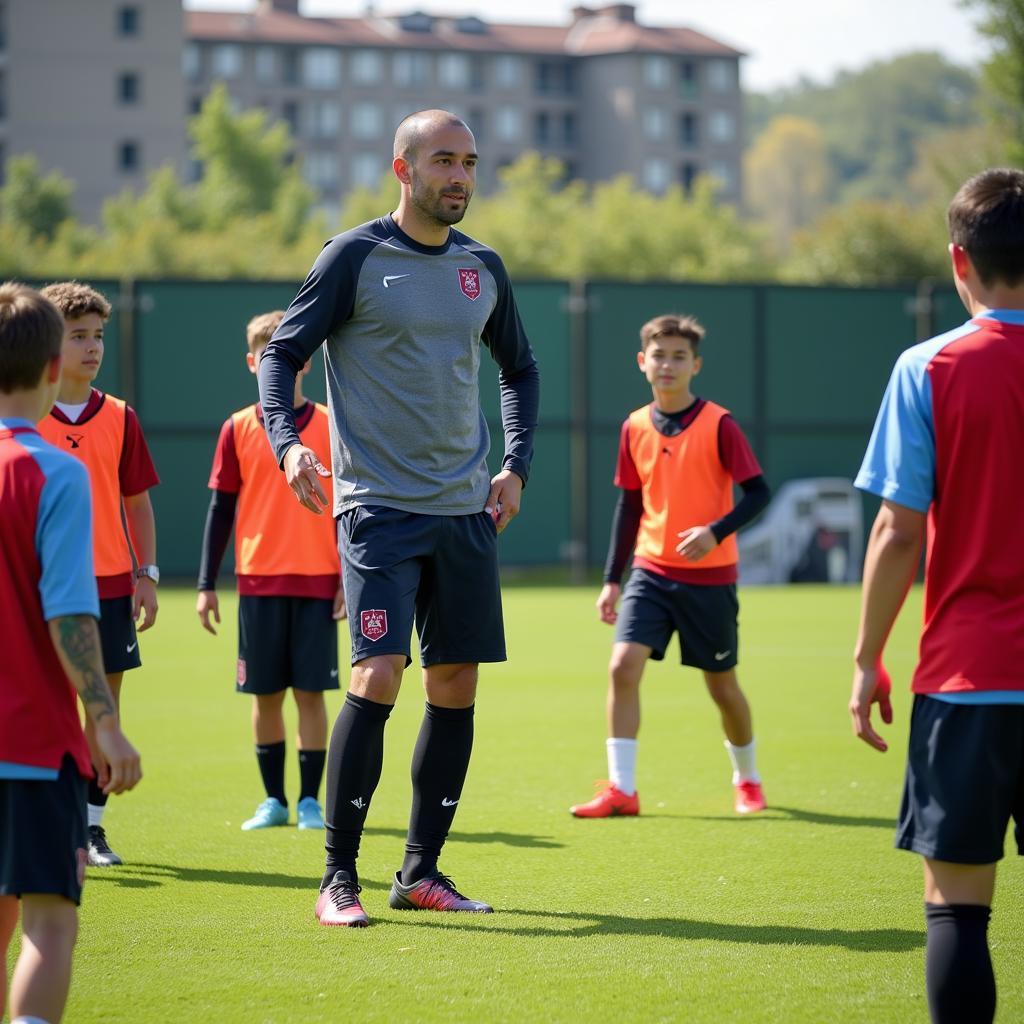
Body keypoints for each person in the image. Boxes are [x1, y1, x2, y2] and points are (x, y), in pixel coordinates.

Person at [258, 109, 539, 927]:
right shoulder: (353, 255)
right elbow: (282, 353)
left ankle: (421, 872)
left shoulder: (483, 266)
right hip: (377, 507)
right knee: (379, 673)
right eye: (443, 160)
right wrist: (289, 445)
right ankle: (335, 878)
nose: (460, 176)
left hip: (464, 512)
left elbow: (519, 368)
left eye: (471, 163)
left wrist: (515, 465)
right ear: (402, 169)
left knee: (455, 682)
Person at [850, 168, 1024, 1024]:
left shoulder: (930, 366)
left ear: (959, 260)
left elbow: (898, 531)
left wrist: (864, 659)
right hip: (975, 675)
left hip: (969, 681)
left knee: (958, 905)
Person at [0, 281, 142, 1024]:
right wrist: (104, 720)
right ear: (54, 367)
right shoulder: (49, 471)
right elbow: (68, 610)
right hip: (30, 746)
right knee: (49, 925)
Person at [571, 314, 770, 819]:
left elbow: (759, 494)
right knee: (621, 667)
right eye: (659, 355)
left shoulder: (720, 424)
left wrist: (715, 532)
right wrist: (611, 581)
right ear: (643, 362)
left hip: (711, 579)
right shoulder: (633, 426)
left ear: (695, 365)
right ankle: (623, 789)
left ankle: (747, 778)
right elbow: (629, 508)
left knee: (722, 685)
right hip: (651, 571)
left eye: (679, 356)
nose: (668, 364)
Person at [196, 310, 346, 833]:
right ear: (251, 362)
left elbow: (351, 506)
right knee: (264, 695)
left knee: (311, 694)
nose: (272, 363)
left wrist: (350, 577)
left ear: (301, 361)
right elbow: (221, 510)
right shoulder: (236, 428)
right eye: (262, 354)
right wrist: (205, 584)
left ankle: (309, 802)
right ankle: (274, 801)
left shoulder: (331, 423)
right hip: (257, 582)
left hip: (318, 580)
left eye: (283, 353)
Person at [35, 282, 158, 869]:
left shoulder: (121, 417)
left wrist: (148, 573)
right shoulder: (25, 415)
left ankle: (92, 827)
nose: (91, 347)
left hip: (109, 586)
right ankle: (51, 821)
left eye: (98, 336)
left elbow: (136, 503)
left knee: (104, 707)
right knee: (49, 705)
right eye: (77, 335)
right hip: (43, 590)